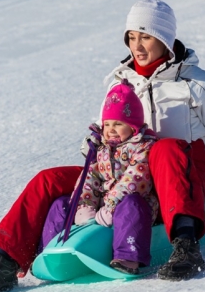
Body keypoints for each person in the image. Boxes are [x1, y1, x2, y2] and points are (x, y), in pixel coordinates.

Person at [0, 0, 205, 292]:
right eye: (132, 37)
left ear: (164, 39)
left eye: (146, 37)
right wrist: (94, 146)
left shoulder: (198, 86)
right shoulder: (120, 80)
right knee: (47, 180)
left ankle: (186, 246)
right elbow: (102, 132)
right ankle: (4, 261)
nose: (137, 46)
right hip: (121, 179)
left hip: (172, 187)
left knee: (166, 149)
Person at [40, 79, 159, 275]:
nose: (111, 129)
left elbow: (135, 180)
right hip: (102, 209)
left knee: (131, 205)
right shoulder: (100, 149)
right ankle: (49, 251)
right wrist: (83, 205)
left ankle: (128, 257)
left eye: (119, 124)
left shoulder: (142, 147)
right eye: (107, 124)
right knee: (60, 204)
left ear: (134, 127)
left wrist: (111, 206)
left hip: (135, 204)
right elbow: (89, 178)